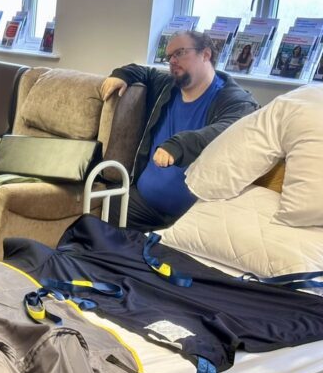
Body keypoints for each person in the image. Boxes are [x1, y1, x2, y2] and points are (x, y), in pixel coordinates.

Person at [101, 30, 259, 232]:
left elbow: (228, 128)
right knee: (103, 213)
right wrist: (122, 75)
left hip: (191, 218)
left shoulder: (234, 99)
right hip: (142, 205)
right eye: (169, 56)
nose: (172, 61)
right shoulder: (167, 86)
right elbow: (145, 72)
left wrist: (179, 144)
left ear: (206, 54)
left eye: (180, 53)